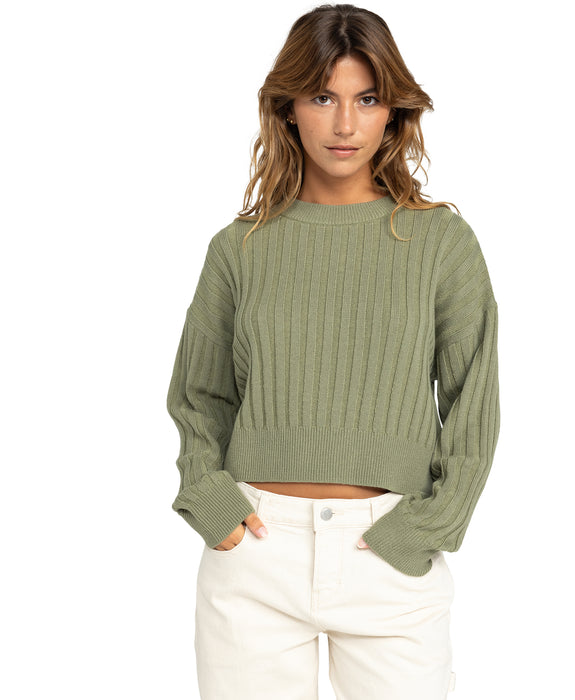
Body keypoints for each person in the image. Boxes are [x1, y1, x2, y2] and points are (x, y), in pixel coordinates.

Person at [166, 3, 500, 698]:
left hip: (390, 553)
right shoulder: (239, 248)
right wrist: (208, 498)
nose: (345, 124)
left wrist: (429, 527)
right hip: (255, 551)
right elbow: (200, 395)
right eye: (322, 97)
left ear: (393, 111)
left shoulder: (440, 243)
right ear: (288, 108)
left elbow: (473, 400)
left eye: (366, 99)